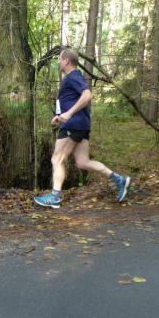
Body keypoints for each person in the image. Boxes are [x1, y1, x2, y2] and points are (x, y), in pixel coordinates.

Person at [34, 48, 131, 209]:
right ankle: (119, 180)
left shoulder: (73, 76)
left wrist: (69, 114)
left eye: (59, 59)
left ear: (66, 61)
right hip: (80, 125)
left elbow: (87, 95)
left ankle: (55, 197)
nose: (58, 62)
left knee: (57, 159)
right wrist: (60, 116)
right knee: (83, 162)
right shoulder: (72, 78)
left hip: (73, 125)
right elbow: (72, 100)